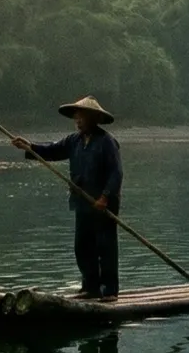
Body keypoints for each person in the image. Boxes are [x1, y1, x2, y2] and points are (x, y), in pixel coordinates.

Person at [14, 96, 124, 300]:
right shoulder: (74, 141)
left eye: (81, 116)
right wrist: (30, 147)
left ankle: (110, 291)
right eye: (76, 117)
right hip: (82, 202)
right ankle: (90, 287)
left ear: (92, 118)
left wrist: (105, 197)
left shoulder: (107, 142)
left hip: (102, 204)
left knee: (105, 247)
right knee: (83, 246)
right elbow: (52, 151)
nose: (78, 120)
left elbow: (116, 173)